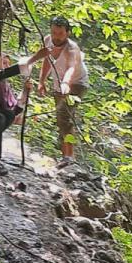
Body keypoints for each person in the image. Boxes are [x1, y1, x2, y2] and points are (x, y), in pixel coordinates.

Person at [38, 15, 89, 161]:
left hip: (77, 83)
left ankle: (69, 156)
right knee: (60, 119)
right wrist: (42, 81)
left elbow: (71, 68)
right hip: (59, 84)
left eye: (60, 34)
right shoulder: (48, 40)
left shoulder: (72, 48)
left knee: (64, 115)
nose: (56, 37)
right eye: (54, 32)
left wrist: (66, 83)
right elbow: (47, 60)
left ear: (67, 33)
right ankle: (64, 156)